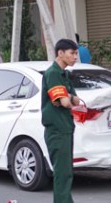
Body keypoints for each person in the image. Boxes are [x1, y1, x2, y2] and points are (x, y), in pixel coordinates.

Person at [41, 39, 80, 203]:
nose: (75, 57)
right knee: (63, 173)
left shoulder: (64, 74)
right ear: (60, 53)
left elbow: (76, 100)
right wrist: (68, 99)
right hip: (57, 129)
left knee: (66, 172)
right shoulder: (53, 73)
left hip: (66, 127)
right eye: (72, 53)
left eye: (76, 53)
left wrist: (68, 98)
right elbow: (65, 102)